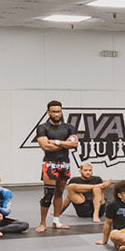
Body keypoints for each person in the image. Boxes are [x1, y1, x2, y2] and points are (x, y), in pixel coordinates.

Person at [33, 99, 80, 231]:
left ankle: (56, 221)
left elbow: (74, 144)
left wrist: (56, 142)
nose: (56, 114)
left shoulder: (69, 127)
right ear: (48, 112)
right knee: (48, 194)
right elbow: (46, 147)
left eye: (58, 111)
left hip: (65, 164)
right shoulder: (43, 128)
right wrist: (65, 144)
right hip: (50, 164)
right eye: (53, 111)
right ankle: (42, 223)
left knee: (59, 193)